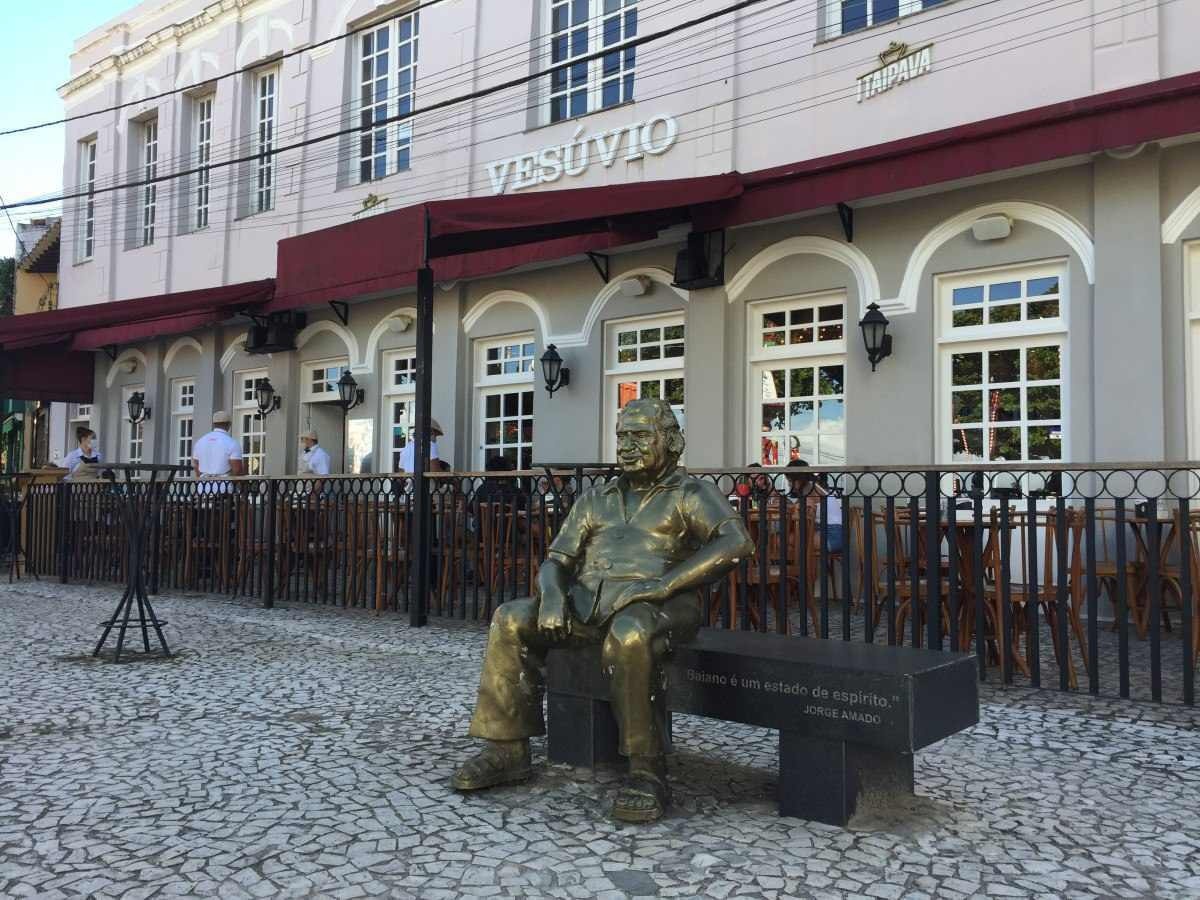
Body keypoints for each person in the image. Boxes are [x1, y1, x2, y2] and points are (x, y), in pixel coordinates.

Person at [451, 400, 755, 823]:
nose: (628, 446)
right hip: (588, 603)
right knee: (510, 617)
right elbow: (557, 560)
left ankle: (647, 769)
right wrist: (553, 597)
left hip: (662, 604)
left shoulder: (691, 493)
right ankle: (506, 749)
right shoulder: (598, 497)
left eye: (640, 436)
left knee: (631, 632)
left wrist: (663, 584)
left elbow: (736, 543)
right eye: (622, 437)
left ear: (670, 442)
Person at [787, 459, 843, 553]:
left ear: (797, 480)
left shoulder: (810, 490)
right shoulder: (813, 486)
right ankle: (803, 567)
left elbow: (800, 514)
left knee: (782, 540)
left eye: (789, 480)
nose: (789, 484)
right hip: (831, 532)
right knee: (788, 541)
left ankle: (801, 567)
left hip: (831, 536)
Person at [192, 411, 244, 480]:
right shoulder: (232, 443)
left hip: (203, 486)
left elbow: (196, 466)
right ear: (229, 424)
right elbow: (237, 470)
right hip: (223, 487)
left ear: (213, 424)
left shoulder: (200, 442)